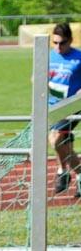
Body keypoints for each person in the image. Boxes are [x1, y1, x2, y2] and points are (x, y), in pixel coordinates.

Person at [47, 23, 81, 195]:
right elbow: (35, 78)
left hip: (72, 105)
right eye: (55, 43)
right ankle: (77, 173)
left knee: (55, 139)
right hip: (51, 106)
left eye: (62, 43)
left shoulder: (79, 57)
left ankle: (62, 172)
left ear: (71, 40)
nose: (58, 47)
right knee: (63, 144)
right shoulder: (49, 56)